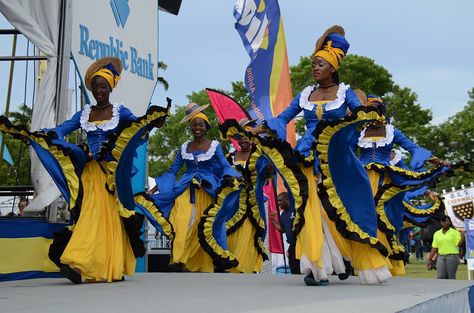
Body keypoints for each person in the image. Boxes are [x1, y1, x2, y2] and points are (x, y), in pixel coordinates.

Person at [0, 57, 169, 283]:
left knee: (110, 219)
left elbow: (136, 126)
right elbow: (62, 129)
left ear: (111, 88)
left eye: (103, 87)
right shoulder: (84, 113)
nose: (99, 91)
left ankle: (106, 265)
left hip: (112, 176)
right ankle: (79, 263)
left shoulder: (119, 111)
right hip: (90, 174)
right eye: (96, 87)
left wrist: (150, 124)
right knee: (90, 215)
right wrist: (49, 136)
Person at [252, 25, 385, 285]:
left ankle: (351, 261)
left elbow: (358, 116)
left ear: (333, 68)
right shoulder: (306, 94)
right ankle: (316, 266)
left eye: (320, 64)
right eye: (313, 64)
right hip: (307, 157)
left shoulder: (345, 93)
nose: (314, 68)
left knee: (345, 208)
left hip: (338, 160)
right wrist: (262, 127)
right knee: (309, 209)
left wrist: (368, 113)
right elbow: (283, 118)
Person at [146, 103, 241, 272]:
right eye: (194, 124)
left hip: (207, 189)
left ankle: (211, 260)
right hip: (185, 189)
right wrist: (154, 190)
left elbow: (225, 166)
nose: (197, 127)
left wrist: (232, 179)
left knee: (206, 225)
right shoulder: (184, 147)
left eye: (200, 124)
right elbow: (172, 170)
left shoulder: (214, 146)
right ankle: (178, 260)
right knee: (181, 222)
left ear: (206, 127)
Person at [224, 117, 270, 273]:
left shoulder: (260, 155)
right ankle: (233, 268)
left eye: (245, 136)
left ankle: (247, 268)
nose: (242, 140)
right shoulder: (229, 157)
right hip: (233, 204)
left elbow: (267, 175)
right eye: (238, 137)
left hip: (254, 203)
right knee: (232, 235)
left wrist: (270, 163)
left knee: (250, 236)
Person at [269, 192, 300, 274]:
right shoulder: (283, 214)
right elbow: (282, 229)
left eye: (280, 200)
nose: (278, 203)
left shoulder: (295, 209)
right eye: (277, 201)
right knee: (294, 268)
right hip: (292, 246)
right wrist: (273, 220)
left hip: (301, 244)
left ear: (287, 199)